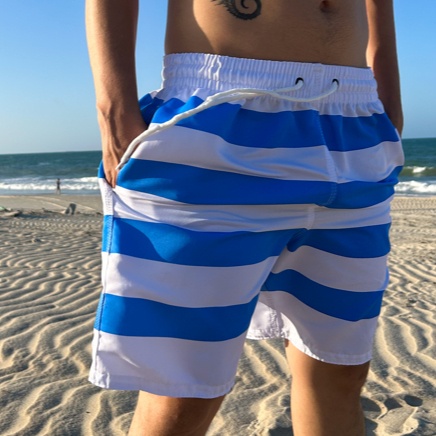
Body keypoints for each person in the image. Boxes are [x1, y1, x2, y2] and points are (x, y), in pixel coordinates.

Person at [86, 1, 404, 435]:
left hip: (355, 124)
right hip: (221, 112)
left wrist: (387, 100)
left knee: (340, 368)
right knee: (183, 389)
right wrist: (113, 109)